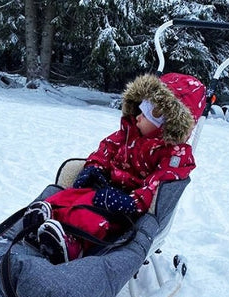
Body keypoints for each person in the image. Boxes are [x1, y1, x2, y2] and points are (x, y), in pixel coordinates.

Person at [22, 73, 204, 263]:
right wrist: (94, 168)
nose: (138, 116)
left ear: (167, 123)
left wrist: (132, 202)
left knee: (91, 217)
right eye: (140, 108)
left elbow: (160, 184)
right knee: (74, 196)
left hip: (125, 207)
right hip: (106, 187)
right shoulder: (128, 132)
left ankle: (72, 244)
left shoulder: (175, 155)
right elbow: (106, 149)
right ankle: (48, 214)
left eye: (146, 113)